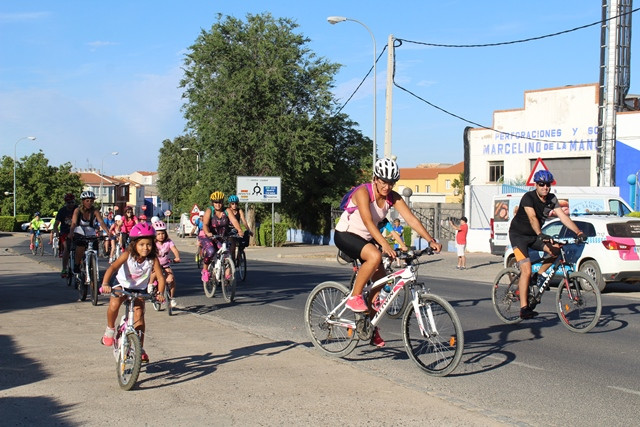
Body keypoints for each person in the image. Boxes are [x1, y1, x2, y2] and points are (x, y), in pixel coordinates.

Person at [334, 158, 442, 347]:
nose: (387, 186)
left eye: (391, 183)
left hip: (366, 238)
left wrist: (430, 240)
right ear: (375, 178)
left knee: (380, 282)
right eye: (383, 182)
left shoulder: (393, 197)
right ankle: (354, 297)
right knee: (375, 256)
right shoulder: (363, 192)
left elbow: (412, 220)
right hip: (346, 234)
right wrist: (384, 244)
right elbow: (368, 222)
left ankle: (369, 327)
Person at [508, 170, 586, 320]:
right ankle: (524, 308)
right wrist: (540, 234)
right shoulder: (528, 197)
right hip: (518, 236)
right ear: (536, 184)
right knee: (526, 269)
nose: (545, 187)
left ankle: (538, 276)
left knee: (556, 251)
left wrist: (578, 232)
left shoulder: (552, 199)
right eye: (541, 184)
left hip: (535, 235)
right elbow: (532, 217)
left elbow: (563, 217)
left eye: (547, 185)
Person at [100, 222, 165, 363]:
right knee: (114, 303)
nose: (145, 248)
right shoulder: (127, 255)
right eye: (141, 244)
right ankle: (110, 329)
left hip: (139, 289)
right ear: (134, 244)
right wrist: (105, 283)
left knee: (139, 315)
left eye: (148, 244)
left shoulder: (152, 259)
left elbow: (160, 277)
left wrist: (160, 293)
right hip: (122, 285)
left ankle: (139, 347)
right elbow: (112, 268)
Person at [199, 191, 244, 283]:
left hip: (222, 236)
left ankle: (227, 276)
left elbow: (234, 220)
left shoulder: (227, 211)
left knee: (228, 253)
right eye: (216, 202)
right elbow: (205, 224)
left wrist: (239, 230)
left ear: (222, 202)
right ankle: (205, 270)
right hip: (209, 236)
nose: (218, 204)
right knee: (211, 251)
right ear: (212, 203)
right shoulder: (209, 211)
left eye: (220, 202)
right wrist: (207, 232)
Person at [69, 191, 111, 275]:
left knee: (95, 246)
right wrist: (71, 233)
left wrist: (108, 232)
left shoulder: (95, 211)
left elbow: (101, 222)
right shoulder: (77, 210)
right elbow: (73, 223)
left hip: (90, 231)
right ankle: (77, 264)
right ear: (83, 201)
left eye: (91, 201)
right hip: (79, 230)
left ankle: (92, 265)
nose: (89, 203)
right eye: (87, 201)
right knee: (80, 247)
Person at [151, 220, 181, 308]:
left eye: (163, 233)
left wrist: (177, 257)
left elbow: (174, 250)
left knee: (171, 280)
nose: (161, 236)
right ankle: (150, 286)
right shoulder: (153, 243)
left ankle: (171, 298)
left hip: (165, 264)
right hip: (154, 266)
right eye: (158, 234)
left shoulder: (168, 242)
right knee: (153, 275)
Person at [50, 193, 78, 277]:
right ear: (66, 203)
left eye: (72, 202)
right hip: (65, 232)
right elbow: (56, 224)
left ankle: (79, 264)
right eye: (69, 203)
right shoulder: (62, 211)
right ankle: (64, 268)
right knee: (66, 248)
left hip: (77, 231)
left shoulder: (77, 209)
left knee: (80, 247)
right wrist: (56, 232)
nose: (71, 204)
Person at [226, 194, 253, 260]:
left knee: (243, 241)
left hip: (237, 230)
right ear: (230, 204)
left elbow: (244, 221)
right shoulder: (227, 211)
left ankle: (239, 254)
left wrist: (248, 230)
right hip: (229, 230)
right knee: (232, 247)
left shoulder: (239, 211)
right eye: (232, 203)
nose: (234, 205)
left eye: (236, 203)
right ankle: (232, 261)